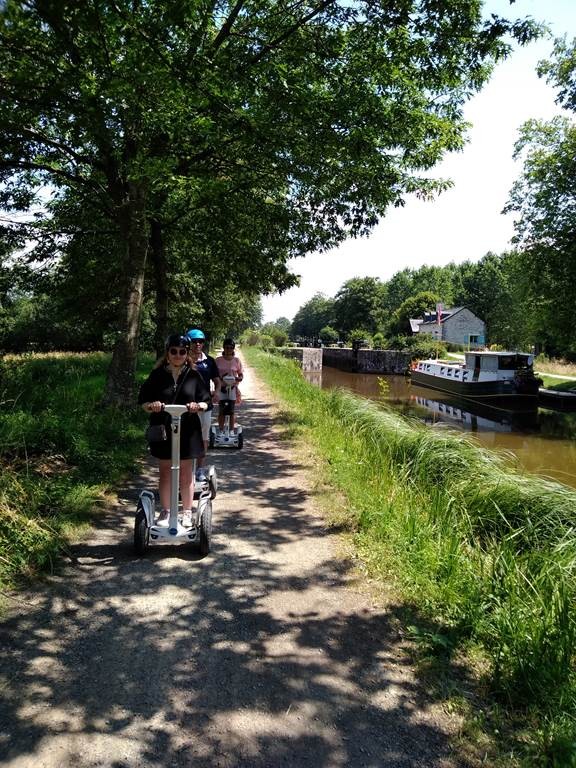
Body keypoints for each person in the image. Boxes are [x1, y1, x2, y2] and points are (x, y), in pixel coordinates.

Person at [138, 334, 211, 528]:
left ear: (187, 354)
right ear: (167, 353)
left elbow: (206, 400)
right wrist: (152, 406)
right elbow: (143, 400)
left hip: (187, 430)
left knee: (186, 473)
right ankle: (166, 511)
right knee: (165, 472)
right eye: (174, 351)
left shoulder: (193, 375)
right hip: (163, 428)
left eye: (182, 351)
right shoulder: (157, 375)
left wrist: (198, 406)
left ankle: (187, 511)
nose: (178, 355)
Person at [186, 328, 220, 482]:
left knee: (203, 437)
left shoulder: (209, 361)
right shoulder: (182, 359)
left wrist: (216, 392)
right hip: (186, 406)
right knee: (186, 437)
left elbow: (217, 381)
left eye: (201, 341)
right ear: (188, 343)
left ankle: (200, 468)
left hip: (205, 405)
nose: (198, 344)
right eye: (194, 341)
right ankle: (186, 470)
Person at [214, 338, 244, 433]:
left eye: (231, 348)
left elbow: (240, 373)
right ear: (224, 348)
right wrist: (221, 377)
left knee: (231, 410)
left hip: (232, 388)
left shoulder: (236, 361)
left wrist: (239, 378)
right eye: (227, 347)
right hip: (221, 388)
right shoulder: (218, 360)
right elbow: (214, 374)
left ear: (233, 349)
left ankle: (231, 430)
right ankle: (221, 430)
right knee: (222, 410)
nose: (228, 350)